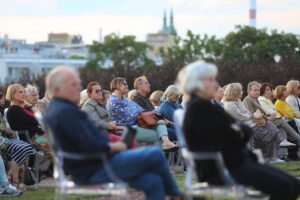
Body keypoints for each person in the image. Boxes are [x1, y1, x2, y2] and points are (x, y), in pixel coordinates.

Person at [44, 66, 181, 200]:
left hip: (94, 163)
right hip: (94, 167)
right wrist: (115, 146)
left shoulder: (61, 109)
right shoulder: (64, 113)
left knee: (152, 181)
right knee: (155, 154)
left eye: (79, 84)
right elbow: (88, 144)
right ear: (56, 89)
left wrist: (114, 142)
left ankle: (175, 195)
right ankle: (177, 195)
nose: (80, 89)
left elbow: (89, 138)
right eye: (74, 85)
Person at [178, 60, 300, 200]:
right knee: (286, 187)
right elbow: (230, 136)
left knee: (294, 185)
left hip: (237, 163)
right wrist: (237, 131)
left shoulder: (209, 106)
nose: (217, 84)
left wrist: (237, 131)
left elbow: (243, 132)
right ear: (197, 84)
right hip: (223, 169)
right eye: (211, 80)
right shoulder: (198, 109)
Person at [107, 77, 177, 150]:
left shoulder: (124, 99)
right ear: (117, 85)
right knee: (158, 135)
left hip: (137, 125)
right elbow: (131, 116)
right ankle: (156, 157)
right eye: (124, 84)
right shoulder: (113, 101)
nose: (127, 86)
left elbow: (139, 111)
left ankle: (166, 143)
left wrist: (154, 113)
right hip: (126, 130)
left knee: (160, 121)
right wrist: (150, 113)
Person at [223, 83, 285, 163]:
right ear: (234, 92)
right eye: (240, 91)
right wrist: (252, 116)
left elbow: (247, 113)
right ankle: (274, 152)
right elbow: (242, 117)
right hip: (245, 126)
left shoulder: (237, 101)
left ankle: (273, 152)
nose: (242, 92)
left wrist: (252, 116)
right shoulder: (229, 105)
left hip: (251, 124)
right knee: (269, 132)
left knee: (270, 126)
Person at [243, 81, 297, 148]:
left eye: (258, 90)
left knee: (281, 128)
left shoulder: (255, 99)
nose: (257, 92)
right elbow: (252, 114)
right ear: (249, 91)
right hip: (256, 123)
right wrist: (268, 118)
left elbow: (262, 113)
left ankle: (282, 154)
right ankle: (295, 138)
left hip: (262, 121)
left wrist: (268, 117)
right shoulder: (248, 99)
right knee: (280, 121)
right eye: (255, 90)